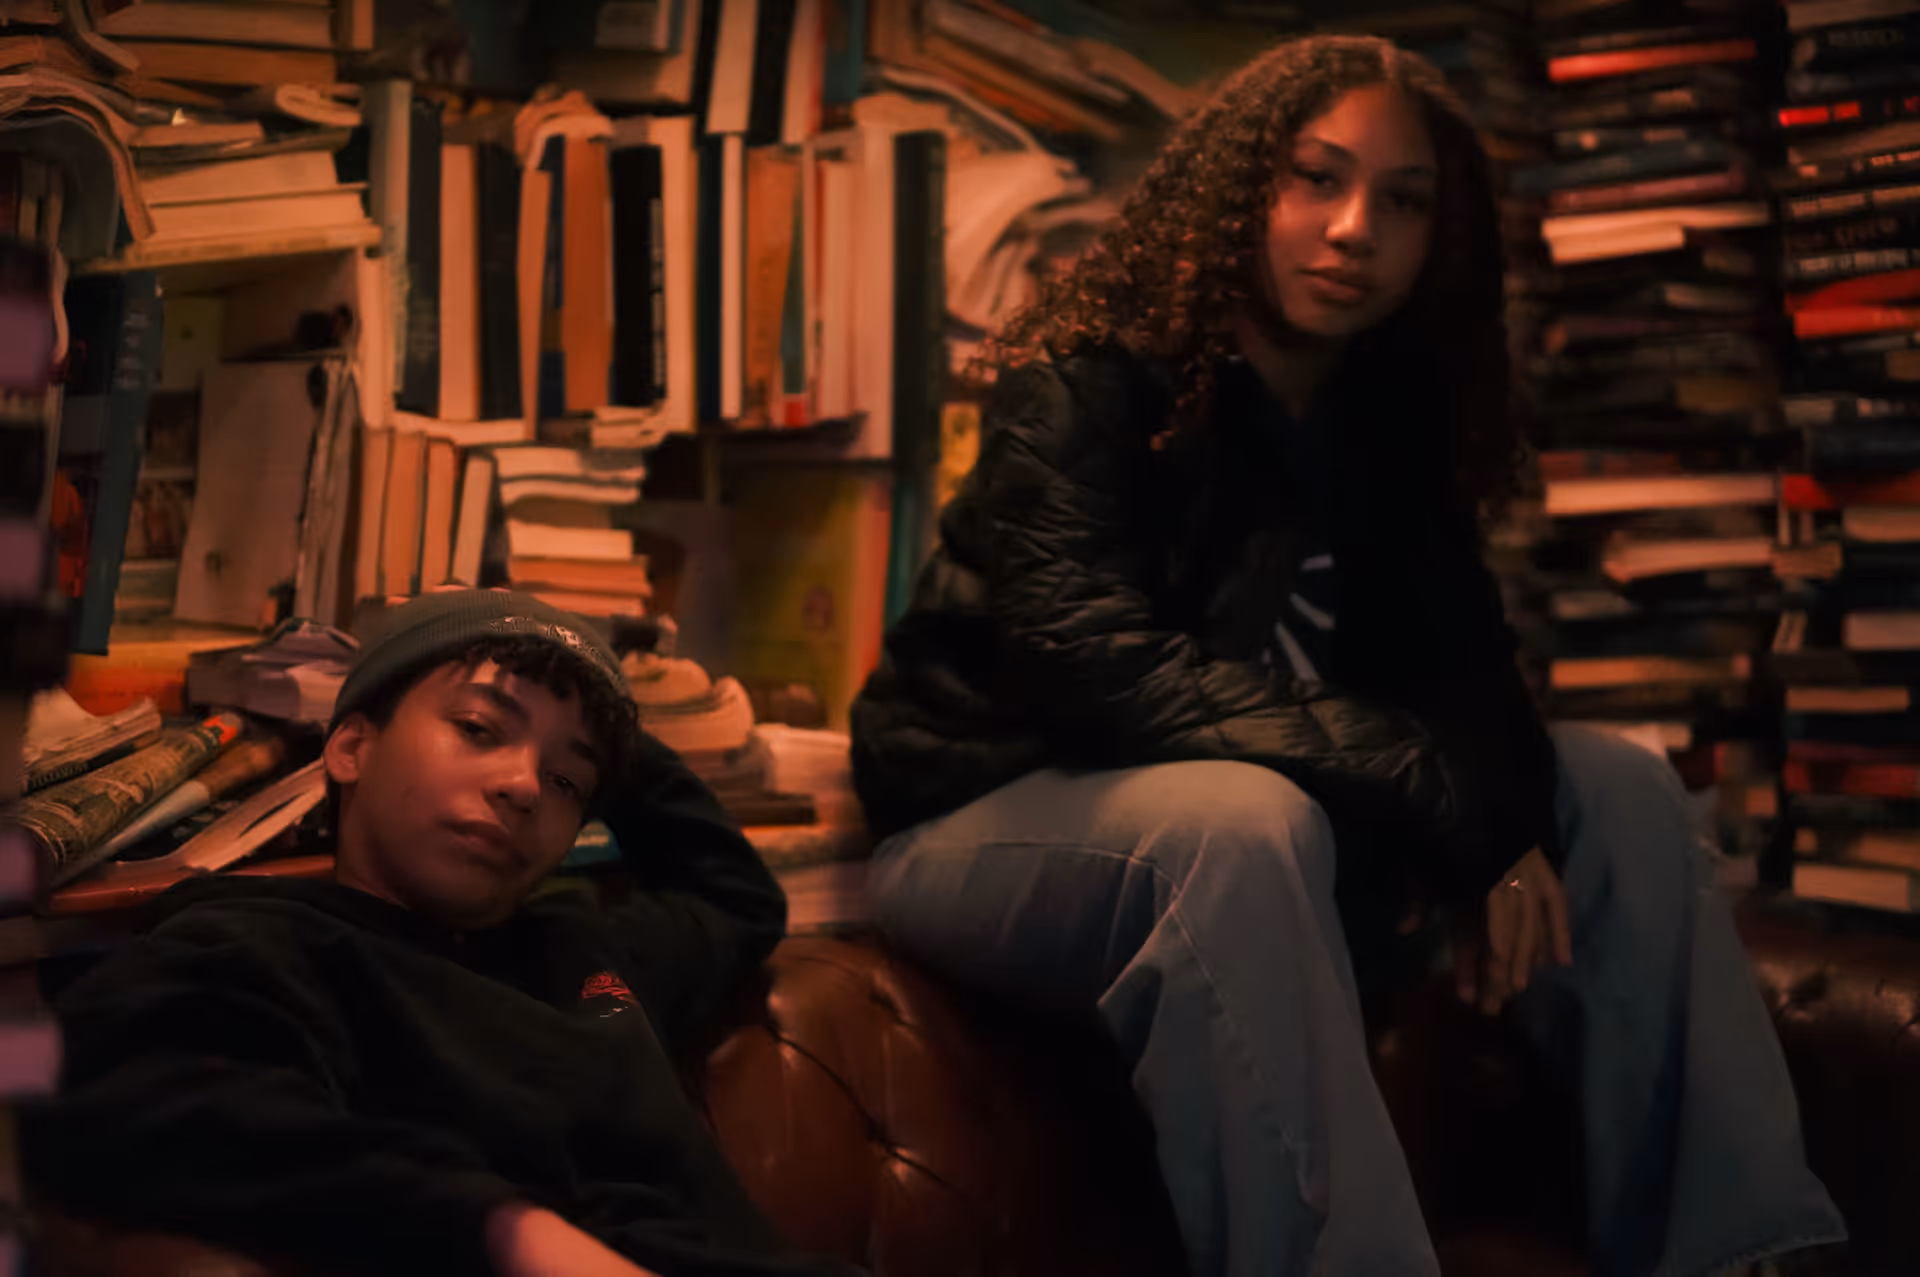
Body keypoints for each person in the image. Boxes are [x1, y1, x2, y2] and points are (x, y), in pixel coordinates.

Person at [850, 34, 1845, 1277]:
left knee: (1617, 789)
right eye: (1314, 178)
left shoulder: (1389, 418)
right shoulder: (1088, 382)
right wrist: (1435, 793)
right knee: (1237, 821)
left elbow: (1468, 674)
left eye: (1404, 199)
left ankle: (1744, 1251)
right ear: (1234, 192)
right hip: (983, 816)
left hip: (1280, 820)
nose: (1355, 226)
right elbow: (1097, 668)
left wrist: (1501, 813)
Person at [23, 591, 863, 1277]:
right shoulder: (260, 942)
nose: (526, 785)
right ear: (350, 744)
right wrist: (509, 1231)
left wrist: (602, 718)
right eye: (480, 729)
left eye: (566, 779)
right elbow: (153, 1103)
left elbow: (735, 893)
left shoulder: (586, 952)